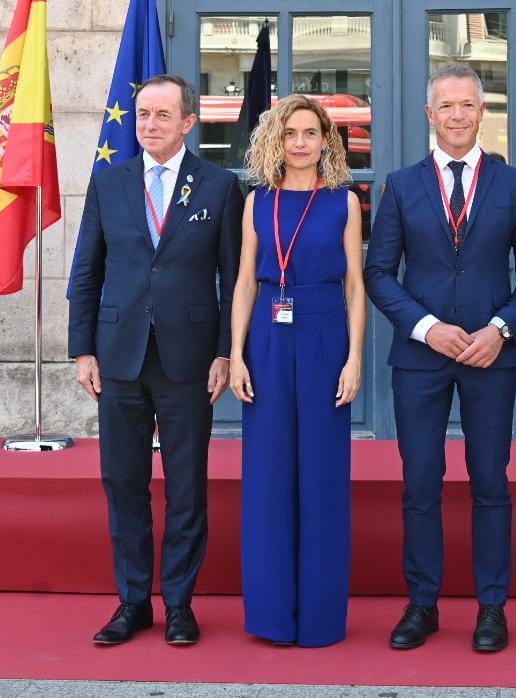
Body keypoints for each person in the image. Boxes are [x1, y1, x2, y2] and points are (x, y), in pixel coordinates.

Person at [365, 64, 516, 653]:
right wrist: (425, 327)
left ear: (481, 112)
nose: (457, 115)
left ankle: (492, 606)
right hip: (421, 357)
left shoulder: (514, 185)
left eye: (468, 105)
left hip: (491, 357)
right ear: (429, 114)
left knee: (490, 483)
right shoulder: (399, 185)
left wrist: (500, 329)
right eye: (446, 106)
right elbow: (378, 272)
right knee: (421, 483)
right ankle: (423, 603)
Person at [69, 74, 243, 647]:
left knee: (187, 486)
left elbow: (233, 278)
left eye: (163, 116)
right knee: (123, 482)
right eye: (143, 115)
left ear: (189, 122)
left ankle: (180, 604)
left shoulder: (218, 186)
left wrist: (225, 351)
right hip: (118, 355)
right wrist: (82, 348)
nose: (149, 125)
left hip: (188, 360)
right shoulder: (108, 182)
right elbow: (87, 271)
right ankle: (133, 601)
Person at [228, 95, 365, 647]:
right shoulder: (257, 201)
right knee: (267, 477)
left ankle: (321, 618)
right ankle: (271, 615)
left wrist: (355, 357)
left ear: (327, 140)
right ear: (275, 141)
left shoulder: (345, 202)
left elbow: (356, 284)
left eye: (311, 133)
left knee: (323, 477)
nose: (301, 143)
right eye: (291, 133)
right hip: (267, 335)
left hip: (327, 332)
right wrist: (236, 354)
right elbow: (242, 282)